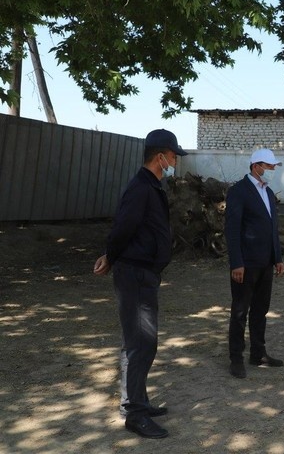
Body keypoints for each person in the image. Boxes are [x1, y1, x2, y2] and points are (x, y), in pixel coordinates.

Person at [93, 128, 188, 439]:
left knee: (137, 342)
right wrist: (110, 255)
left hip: (144, 274)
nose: (175, 160)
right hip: (134, 274)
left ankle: (135, 401)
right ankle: (135, 413)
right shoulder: (141, 187)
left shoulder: (152, 185)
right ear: (160, 156)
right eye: (173, 155)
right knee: (142, 342)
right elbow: (122, 227)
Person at [225, 148, 284, 379]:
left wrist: (277, 257)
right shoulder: (238, 192)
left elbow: (272, 228)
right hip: (246, 264)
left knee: (260, 310)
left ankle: (258, 353)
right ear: (256, 166)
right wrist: (236, 263)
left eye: (272, 167)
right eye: (269, 166)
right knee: (240, 311)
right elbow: (232, 229)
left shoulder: (268, 193)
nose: (272, 170)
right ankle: (236, 358)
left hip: (266, 263)